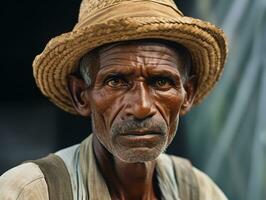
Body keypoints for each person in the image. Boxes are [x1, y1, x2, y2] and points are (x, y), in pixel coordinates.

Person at [0, 0, 228, 199]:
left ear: (187, 94)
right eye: (116, 81)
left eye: (161, 82)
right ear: (81, 95)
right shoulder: (31, 192)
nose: (141, 107)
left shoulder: (198, 192)